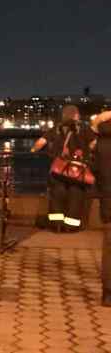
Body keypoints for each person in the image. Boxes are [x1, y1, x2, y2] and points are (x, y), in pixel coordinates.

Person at [30, 105, 96, 232]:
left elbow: (40, 143)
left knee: (57, 194)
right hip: (77, 170)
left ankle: (56, 225)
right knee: (76, 194)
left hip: (59, 169)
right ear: (76, 115)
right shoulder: (84, 128)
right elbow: (93, 144)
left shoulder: (57, 128)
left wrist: (33, 149)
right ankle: (71, 226)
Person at [92, 110, 111, 306]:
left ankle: (108, 293)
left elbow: (95, 171)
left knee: (109, 248)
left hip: (108, 201)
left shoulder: (100, 145)